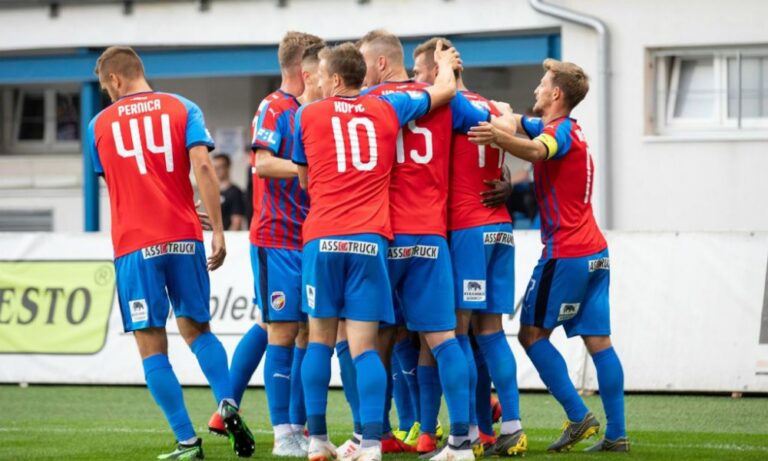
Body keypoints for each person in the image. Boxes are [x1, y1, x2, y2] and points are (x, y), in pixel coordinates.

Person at [291, 41, 462, 461]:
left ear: (335, 79)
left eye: (320, 76)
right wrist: (445, 64)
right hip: (369, 241)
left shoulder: (307, 114)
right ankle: (370, 443)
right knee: (366, 347)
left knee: (319, 342)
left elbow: (304, 181)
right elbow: (444, 91)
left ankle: (317, 440)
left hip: (323, 237)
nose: (315, 83)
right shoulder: (387, 108)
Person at [86, 46, 255, 460]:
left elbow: (119, 184)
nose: (108, 94)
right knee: (199, 331)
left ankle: (187, 442)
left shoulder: (98, 125)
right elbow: (203, 167)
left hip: (136, 244)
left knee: (152, 346)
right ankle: (227, 403)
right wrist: (218, 230)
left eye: (106, 88)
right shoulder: (182, 107)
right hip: (183, 236)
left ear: (114, 79)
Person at [468, 58, 629, 453]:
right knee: (599, 342)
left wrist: (497, 136)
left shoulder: (558, 133)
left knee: (531, 335)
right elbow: (518, 123)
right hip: (595, 253)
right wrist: (499, 118)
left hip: (567, 254)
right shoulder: (567, 129)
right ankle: (616, 435)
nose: (536, 89)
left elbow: (538, 151)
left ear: (556, 94)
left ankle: (578, 415)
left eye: (542, 84)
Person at [349, 30, 496, 461]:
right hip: (432, 234)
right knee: (445, 339)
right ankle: (461, 442)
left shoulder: (371, 101)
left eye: (364, 61)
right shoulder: (445, 99)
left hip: (384, 233)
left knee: (371, 338)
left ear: (380, 63)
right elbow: (489, 125)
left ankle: (369, 439)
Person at [208, 31, 324, 458]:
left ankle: (237, 409)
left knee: (299, 330)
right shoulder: (274, 107)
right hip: (277, 237)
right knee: (282, 329)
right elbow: (261, 163)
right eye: (321, 67)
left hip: (308, 236)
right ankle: (283, 433)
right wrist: (307, 169)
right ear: (304, 69)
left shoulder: (310, 110)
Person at [413, 36, 527, 458]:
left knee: (455, 334)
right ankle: (510, 427)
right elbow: (510, 130)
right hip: (500, 228)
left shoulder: (447, 106)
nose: (416, 80)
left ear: (439, 70)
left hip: (467, 230)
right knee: (492, 333)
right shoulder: (497, 107)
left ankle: (464, 435)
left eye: (420, 71)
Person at [212, 153, 246, 231]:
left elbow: (237, 222)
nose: (216, 170)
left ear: (227, 167)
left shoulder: (235, 192)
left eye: (220, 167)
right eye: (214, 168)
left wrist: (226, 237)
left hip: (227, 236)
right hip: (212, 235)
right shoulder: (212, 192)